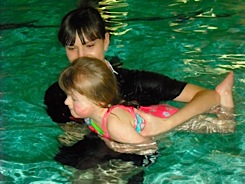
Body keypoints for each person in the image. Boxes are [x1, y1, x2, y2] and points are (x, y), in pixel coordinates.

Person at [44, 0, 235, 168]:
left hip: (139, 150)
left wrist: (166, 124)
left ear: (106, 41)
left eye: (89, 46)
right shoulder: (58, 94)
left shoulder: (138, 83)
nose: (81, 56)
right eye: (72, 48)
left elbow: (210, 97)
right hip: (97, 150)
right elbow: (71, 137)